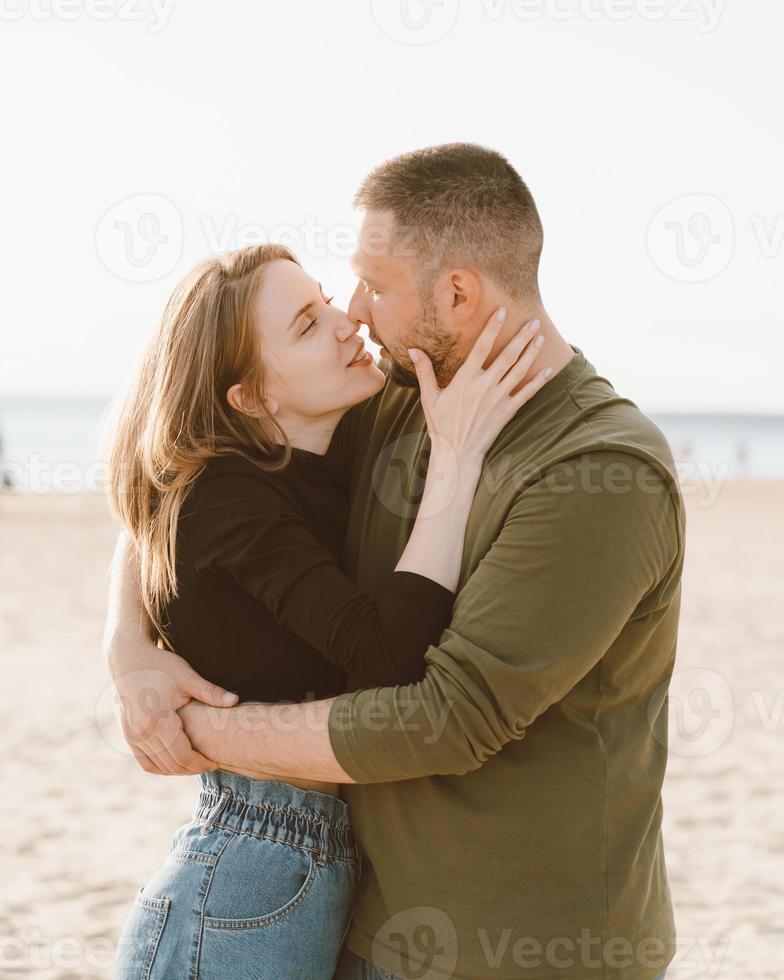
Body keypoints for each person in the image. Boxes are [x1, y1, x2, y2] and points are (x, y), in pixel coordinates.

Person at [105, 143, 683, 980]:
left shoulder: (599, 471)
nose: (354, 311)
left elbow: (447, 717)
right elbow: (190, 479)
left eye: (373, 285)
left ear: (456, 291)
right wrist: (127, 647)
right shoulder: (392, 402)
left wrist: (200, 731)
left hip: (517, 952)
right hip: (356, 923)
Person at [105, 239, 550, 979]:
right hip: (245, 872)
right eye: (307, 325)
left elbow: (145, 503)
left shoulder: (318, 453)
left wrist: (124, 643)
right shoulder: (226, 497)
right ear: (249, 397)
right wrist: (456, 459)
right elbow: (385, 658)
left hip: (303, 868)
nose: (345, 322)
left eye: (322, 299)